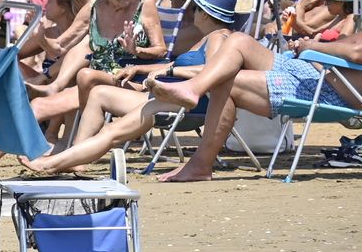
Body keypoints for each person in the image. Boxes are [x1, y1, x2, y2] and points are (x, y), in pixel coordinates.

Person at [23, 0, 242, 174]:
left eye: (195, 8)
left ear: (204, 14)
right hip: (163, 97)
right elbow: (172, 64)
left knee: (110, 128)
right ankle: (74, 159)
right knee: (99, 94)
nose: (191, 13)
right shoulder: (207, 39)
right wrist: (139, 66)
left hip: (184, 106)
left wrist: (169, 74)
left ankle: (55, 162)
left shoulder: (218, 39)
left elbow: (210, 72)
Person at [145, 22, 362, 183]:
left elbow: (356, 51)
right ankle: (193, 87)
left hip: (328, 88)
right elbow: (352, 43)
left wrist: (312, 47)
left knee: (225, 82)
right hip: (314, 72)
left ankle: (201, 162)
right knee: (239, 40)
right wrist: (313, 44)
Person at [29, 0, 165, 139]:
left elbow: (161, 50)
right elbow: (58, 48)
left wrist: (137, 51)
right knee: (43, 102)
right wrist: (42, 38)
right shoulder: (93, 8)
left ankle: (79, 140)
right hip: (96, 81)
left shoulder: (144, 5)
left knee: (83, 76)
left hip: (130, 80)